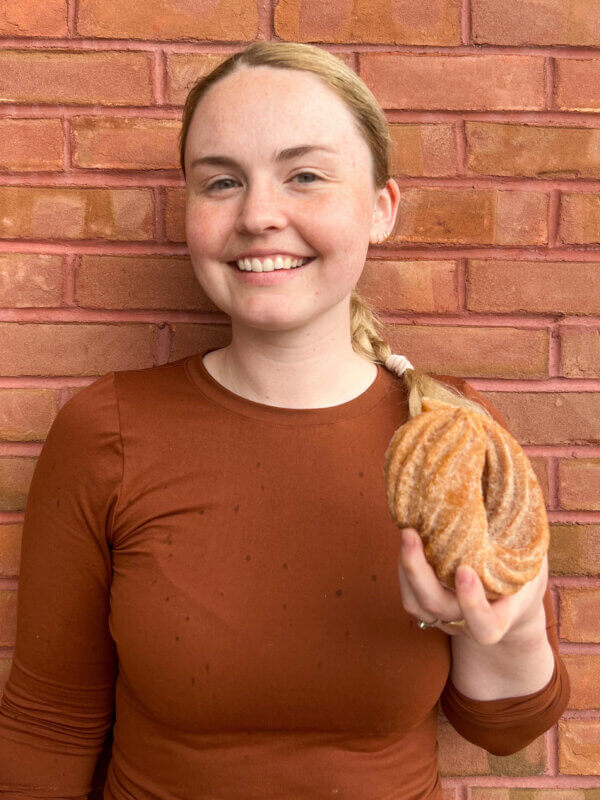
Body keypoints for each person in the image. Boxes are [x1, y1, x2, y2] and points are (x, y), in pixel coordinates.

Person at [0, 41, 569, 800]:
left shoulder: (453, 436)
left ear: (380, 209)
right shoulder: (107, 430)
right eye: (222, 182)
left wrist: (509, 625)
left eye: (304, 175)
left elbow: (504, 730)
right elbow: (50, 724)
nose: (258, 215)